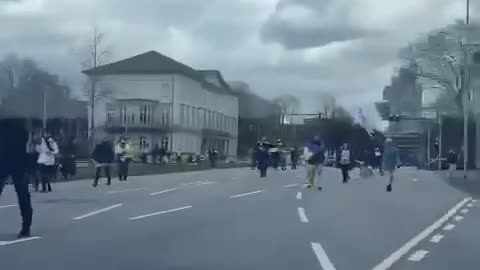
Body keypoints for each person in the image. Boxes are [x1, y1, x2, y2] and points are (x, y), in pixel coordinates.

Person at [0, 117, 33, 238]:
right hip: (18, 162)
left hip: (6, 160)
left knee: (23, 195)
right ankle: (26, 228)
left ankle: (26, 227)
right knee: (23, 195)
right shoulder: (21, 125)